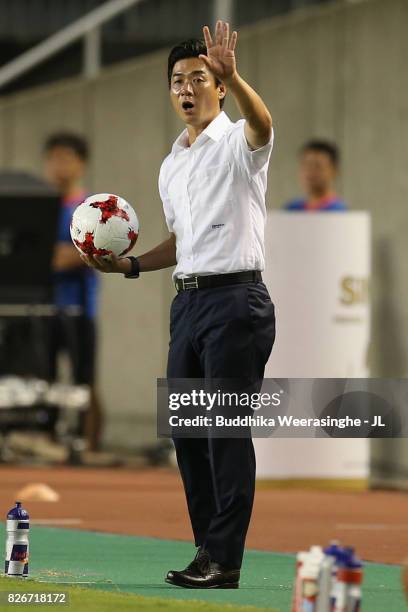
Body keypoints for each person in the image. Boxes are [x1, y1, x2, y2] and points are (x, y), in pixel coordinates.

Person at [82, 21, 275, 589]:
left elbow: (264, 125)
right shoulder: (172, 166)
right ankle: (206, 550)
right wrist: (133, 264)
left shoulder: (239, 142)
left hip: (237, 300)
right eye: (176, 81)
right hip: (187, 305)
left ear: (217, 85)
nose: (186, 88)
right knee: (189, 435)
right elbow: (182, 242)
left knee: (225, 432)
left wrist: (237, 77)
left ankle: (227, 560)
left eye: (198, 78)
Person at [44, 133, 103, 451]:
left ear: (81, 163)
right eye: (54, 158)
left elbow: (78, 254)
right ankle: (48, 440)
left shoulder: (89, 207)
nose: (59, 166)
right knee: (44, 381)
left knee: (85, 380)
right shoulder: (40, 207)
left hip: (80, 309)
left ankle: (89, 446)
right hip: (43, 309)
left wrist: (48, 257)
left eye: (66, 158)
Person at [284, 139, 347, 211]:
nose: (311, 172)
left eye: (318, 166)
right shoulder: (292, 208)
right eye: (307, 165)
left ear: (334, 170)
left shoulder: (338, 211)